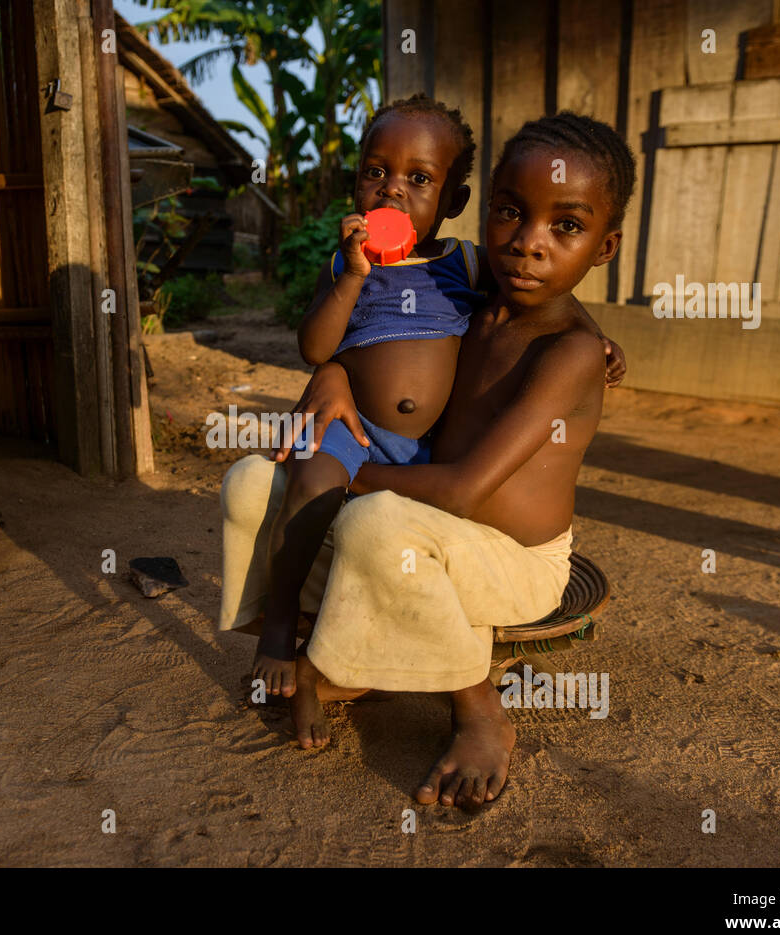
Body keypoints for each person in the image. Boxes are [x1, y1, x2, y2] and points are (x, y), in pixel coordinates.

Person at [220, 111, 635, 812]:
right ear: (486, 213)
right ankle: (340, 651)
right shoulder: (470, 297)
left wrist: (352, 475)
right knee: (252, 484)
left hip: (508, 558)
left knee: (374, 525)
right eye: (511, 213)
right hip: (426, 524)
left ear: (604, 245)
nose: (527, 245)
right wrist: (335, 377)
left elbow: (466, 490)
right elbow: (383, 346)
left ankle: (478, 713)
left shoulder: (567, 349)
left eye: (564, 226)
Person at [251, 95, 486, 704]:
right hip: (349, 427)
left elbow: (534, 308)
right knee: (308, 488)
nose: (391, 190)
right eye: (375, 172)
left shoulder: (464, 262)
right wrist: (353, 275)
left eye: (419, 178)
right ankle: (279, 626)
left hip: (429, 445)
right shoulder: (344, 261)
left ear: (453, 202)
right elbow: (313, 346)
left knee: (404, 538)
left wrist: (596, 337)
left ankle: (380, 647)